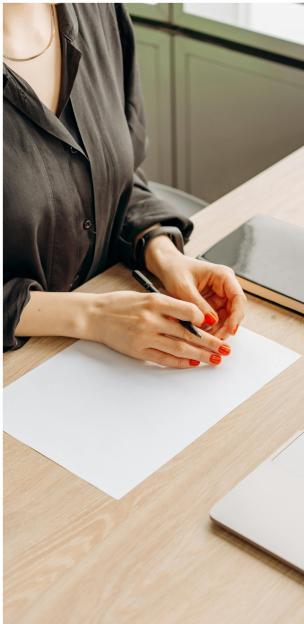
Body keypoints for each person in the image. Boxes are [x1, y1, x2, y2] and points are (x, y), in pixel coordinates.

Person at [3, 3, 247, 368]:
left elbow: (116, 176)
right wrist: (93, 315)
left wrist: (164, 254)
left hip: (104, 359)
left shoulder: (99, 11)